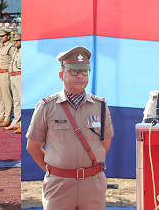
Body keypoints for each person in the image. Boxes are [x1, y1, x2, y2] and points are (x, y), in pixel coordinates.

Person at [26, 46, 114, 210]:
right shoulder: (46, 107)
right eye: (73, 71)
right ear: (61, 75)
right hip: (59, 186)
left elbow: (105, 144)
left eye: (84, 71)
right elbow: (33, 146)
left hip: (93, 184)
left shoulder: (101, 106)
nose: (80, 75)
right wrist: (57, 170)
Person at [0, 28, 14, 127]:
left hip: (5, 73)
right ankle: (1, 116)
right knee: (0, 97)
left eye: (3, 36)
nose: (1, 38)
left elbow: (13, 61)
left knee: (6, 97)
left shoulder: (11, 47)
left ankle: (7, 118)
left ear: (8, 36)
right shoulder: (0, 47)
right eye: (0, 36)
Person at [5, 32, 21, 134]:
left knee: (21, 99)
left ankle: (22, 124)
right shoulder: (16, 51)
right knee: (16, 101)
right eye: (14, 40)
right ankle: (16, 121)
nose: (15, 42)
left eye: (17, 40)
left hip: (20, 75)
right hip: (13, 76)